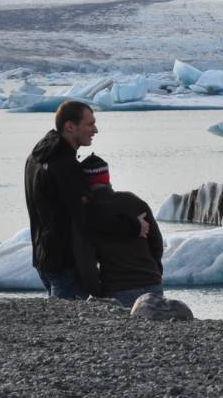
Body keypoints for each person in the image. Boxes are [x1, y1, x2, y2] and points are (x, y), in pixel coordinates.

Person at [24, 100, 147, 299]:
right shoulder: (65, 166)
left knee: (59, 322)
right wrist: (133, 226)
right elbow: (87, 215)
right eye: (89, 124)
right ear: (70, 127)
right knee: (67, 324)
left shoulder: (37, 157)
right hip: (65, 262)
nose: (95, 130)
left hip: (43, 257)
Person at [76, 154, 164, 307]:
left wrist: (97, 291)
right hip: (152, 282)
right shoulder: (134, 202)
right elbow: (156, 243)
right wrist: (155, 270)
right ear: (107, 178)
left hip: (117, 287)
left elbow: (86, 261)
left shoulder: (88, 214)